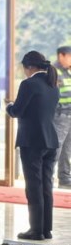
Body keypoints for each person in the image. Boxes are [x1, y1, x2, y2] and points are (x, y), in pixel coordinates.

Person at [6, 51, 59, 240]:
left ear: (28, 67)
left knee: (34, 186)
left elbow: (17, 111)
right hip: (50, 140)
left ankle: (36, 230)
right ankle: (46, 229)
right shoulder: (53, 85)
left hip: (32, 142)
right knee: (46, 186)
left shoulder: (28, 84)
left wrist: (8, 106)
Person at [53, 45, 71, 189]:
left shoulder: (68, 71)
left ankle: (64, 179)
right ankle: (48, 177)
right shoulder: (54, 71)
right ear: (61, 56)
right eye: (70, 57)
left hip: (69, 114)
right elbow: (54, 94)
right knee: (56, 148)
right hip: (60, 115)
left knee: (67, 148)